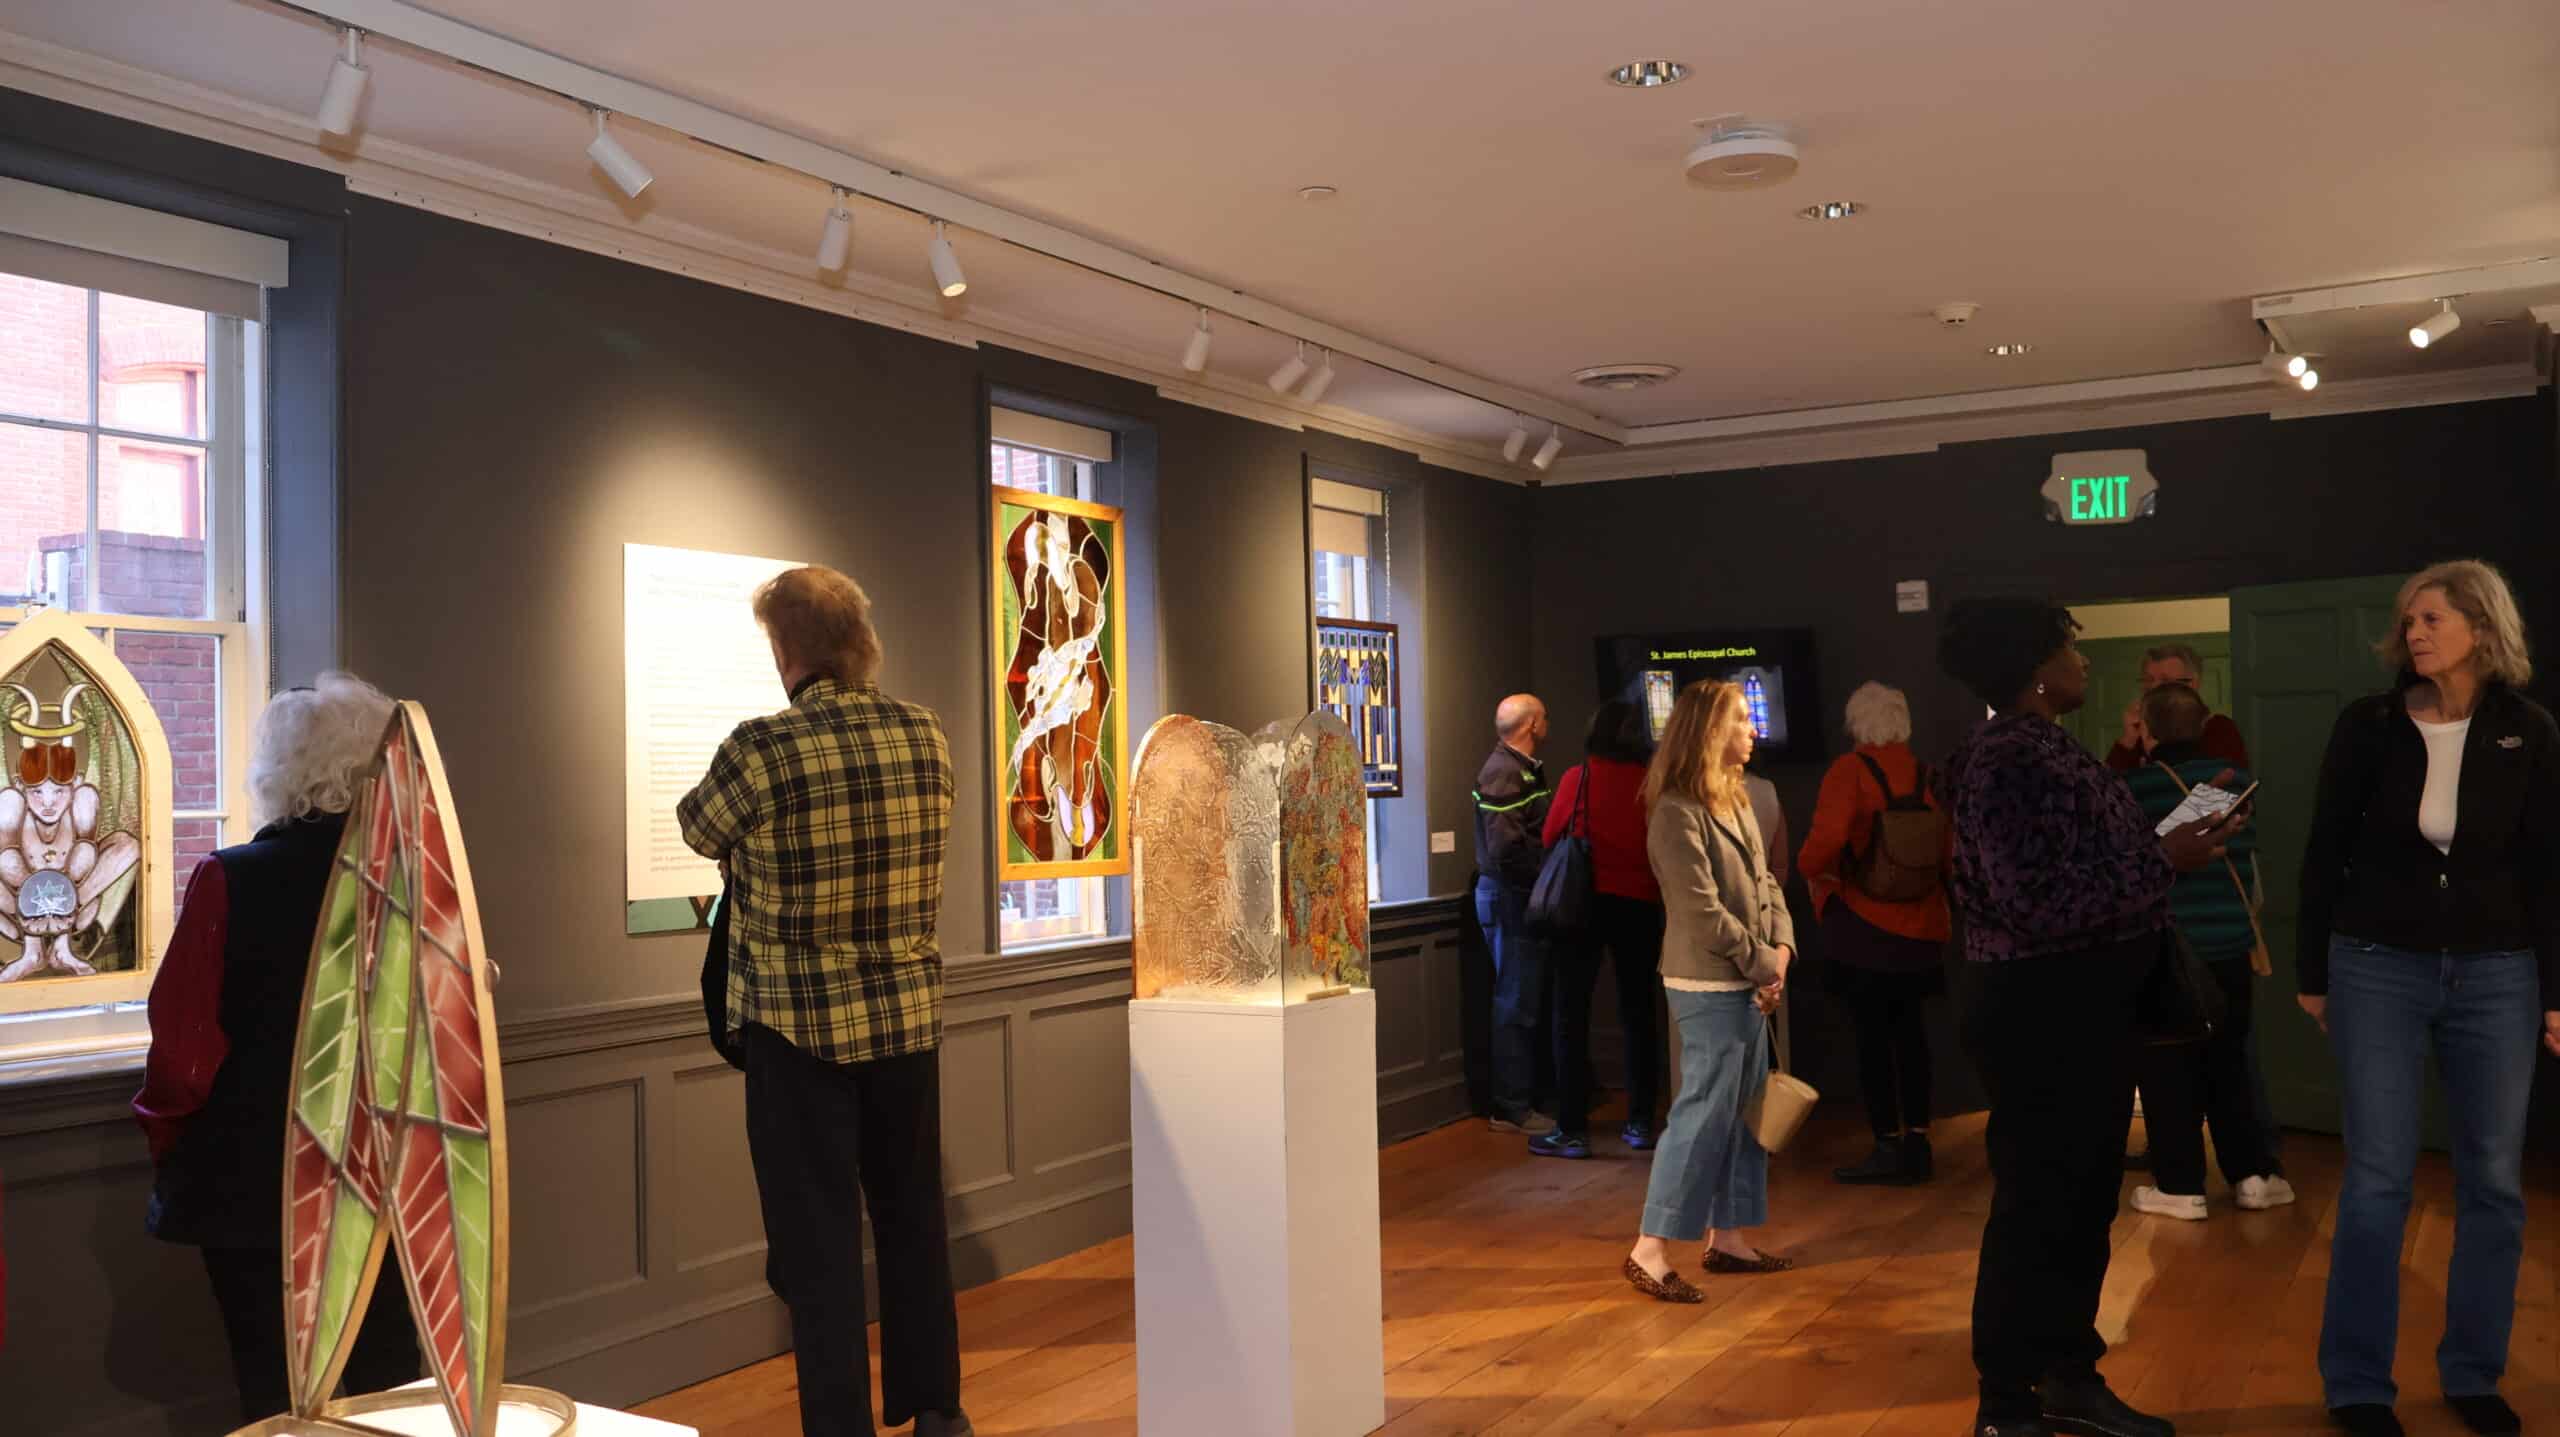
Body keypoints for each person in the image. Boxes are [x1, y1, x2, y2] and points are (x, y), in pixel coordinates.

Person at [1937, 597, 2243, 1437]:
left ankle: (2069, 1376)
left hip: (2083, 1008)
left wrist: (2167, 839)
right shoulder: (2007, 755)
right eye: (2070, 645)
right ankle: (2006, 1404)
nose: (2082, 657)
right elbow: (2031, 898)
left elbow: (2076, 861)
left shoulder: (2041, 745)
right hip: (2042, 1013)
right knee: (2038, 1209)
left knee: (2076, 1206)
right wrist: (2162, 854)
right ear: (2038, 667)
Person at [678, 566, 970, 1437]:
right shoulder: (926, 735)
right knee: (913, 1220)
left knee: (819, 1248)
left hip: (797, 1034)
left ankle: (839, 1427)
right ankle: (937, 1410)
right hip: (907, 1025)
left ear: (785, 649)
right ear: (859, 642)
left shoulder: (762, 747)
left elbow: (699, 827)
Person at [2296, 560, 2560, 1437]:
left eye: (2433, 617)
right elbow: (2323, 848)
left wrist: (2556, 988)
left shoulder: (2529, 730)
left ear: (2482, 628)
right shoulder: (2367, 726)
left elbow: (2549, 870)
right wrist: (2311, 971)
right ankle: (2358, 1384)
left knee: (2492, 1180)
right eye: (2408, 619)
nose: (2414, 631)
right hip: (2377, 964)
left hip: (2498, 971)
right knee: (2377, 1178)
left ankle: (2472, 1371)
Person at [132, 674, 421, 1422]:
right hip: (385, 1172)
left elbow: (183, 1054)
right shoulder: (410, 887)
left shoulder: (230, 878)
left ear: (280, 771)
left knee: (276, 1394)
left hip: (254, 1186)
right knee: (390, 1384)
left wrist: (168, 1141)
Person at [1621, 679, 1796, 1304]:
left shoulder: (1740, 799)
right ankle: (1650, 1248)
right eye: (1743, 720)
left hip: (1747, 978)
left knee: (1746, 1117)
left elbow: (1767, 883)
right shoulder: (1674, 810)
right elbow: (1701, 913)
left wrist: (1780, 952)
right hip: (1708, 984)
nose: (1754, 730)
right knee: (1701, 1117)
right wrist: (1762, 965)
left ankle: (1728, 1237)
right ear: (1709, 732)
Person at [2119, 683, 2292, 1219]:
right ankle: (2254, 1176)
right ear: (2202, 726)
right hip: (2231, 946)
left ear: (2146, 728)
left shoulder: (2130, 787)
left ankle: (2180, 1184)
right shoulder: (2235, 782)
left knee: (2168, 1068)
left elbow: (2131, 860)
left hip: (2167, 951)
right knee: (2230, 1063)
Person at [1797, 681, 1952, 1187]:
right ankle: (1920, 1142)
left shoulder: (1849, 771)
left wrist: (1809, 871)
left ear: (1856, 722)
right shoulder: (1926, 773)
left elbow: (1824, 844)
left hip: (1866, 926)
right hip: (1924, 927)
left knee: (1871, 1039)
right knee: (1912, 1037)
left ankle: (1886, 1144)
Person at [1534, 701, 1666, 1158]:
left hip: (1582, 903)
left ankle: (1571, 1127)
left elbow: (1552, 834)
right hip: (1641, 904)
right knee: (1639, 1014)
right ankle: (1641, 1121)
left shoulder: (1579, 778)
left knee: (1570, 1014)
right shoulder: (1653, 783)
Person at [1473, 692, 1555, 1135]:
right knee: (1515, 1002)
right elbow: (1506, 849)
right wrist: (1544, 874)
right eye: (1543, 718)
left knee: (1520, 999)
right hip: (1511, 900)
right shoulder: (1506, 773)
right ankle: (1512, 1107)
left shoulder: (1516, 769)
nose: (1547, 724)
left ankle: (1520, 1101)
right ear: (1531, 727)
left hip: (1513, 898)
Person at [2105, 643, 2251, 772]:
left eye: (2165, 681)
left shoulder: (2218, 728)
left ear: (2192, 684)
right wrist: (2128, 740)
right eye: (2148, 680)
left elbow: (2232, 791)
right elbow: (2104, 793)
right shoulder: (2138, 735)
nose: (2153, 689)